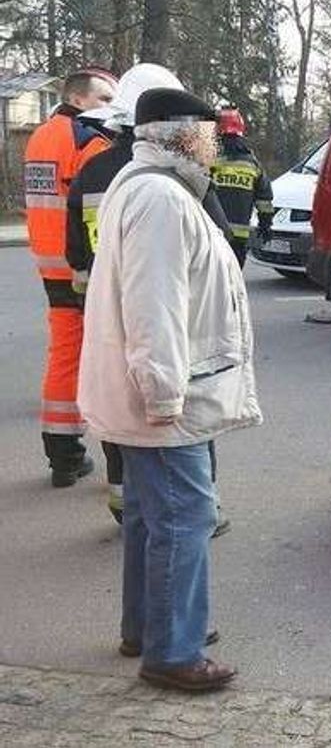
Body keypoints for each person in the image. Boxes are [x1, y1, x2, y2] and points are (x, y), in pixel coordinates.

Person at [78, 88, 262, 691]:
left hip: (153, 396)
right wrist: (163, 396)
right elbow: (154, 308)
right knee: (186, 517)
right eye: (206, 134)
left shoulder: (153, 188)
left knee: (152, 517)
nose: (213, 145)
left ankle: (150, 628)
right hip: (164, 401)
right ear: (180, 135)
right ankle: (174, 651)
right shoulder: (160, 198)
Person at [67, 64, 233, 535]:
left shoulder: (96, 172)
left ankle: (130, 508)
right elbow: (217, 239)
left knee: (126, 434)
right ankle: (191, 513)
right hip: (163, 335)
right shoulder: (169, 184)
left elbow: (74, 252)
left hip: (105, 320)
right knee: (180, 441)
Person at [23, 67, 117, 487]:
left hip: (48, 264)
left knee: (63, 356)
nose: (110, 109)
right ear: (79, 99)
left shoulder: (40, 136)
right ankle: (121, 462)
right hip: (81, 268)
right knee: (107, 360)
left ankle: (63, 456)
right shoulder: (89, 140)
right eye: (105, 99)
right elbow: (97, 212)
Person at [210, 106, 274, 267]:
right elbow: (264, 200)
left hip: (212, 233)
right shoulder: (252, 164)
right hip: (239, 237)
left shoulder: (209, 160)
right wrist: (265, 225)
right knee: (233, 282)